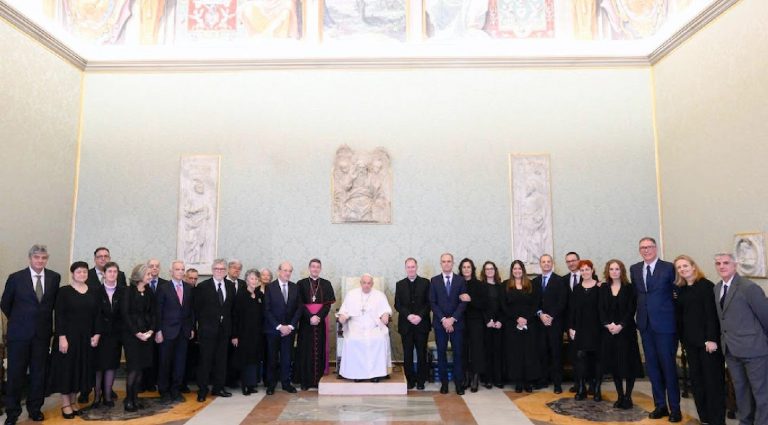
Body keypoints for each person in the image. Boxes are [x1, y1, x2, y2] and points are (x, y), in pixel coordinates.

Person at [1, 244, 61, 425]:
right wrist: (20, 320)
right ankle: (12, 413)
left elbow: (53, 304)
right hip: (19, 335)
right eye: (36, 257)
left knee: (38, 374)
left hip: (42, 336)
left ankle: (35, 409)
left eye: (43, 258)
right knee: (15, 375)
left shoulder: (54, 277)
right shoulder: (16, 278)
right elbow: (5, 303)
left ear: (47, 259)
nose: (40, 261)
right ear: (30, 258)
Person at [713, 253, 768, 425]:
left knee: (761, 393)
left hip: (754, 350)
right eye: (718, 263)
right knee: (741, 391)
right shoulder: (717, 288)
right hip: (731, 350)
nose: (722, 266)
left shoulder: (749, 287)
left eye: (726, 263)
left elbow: (765, 316)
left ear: (735, 265)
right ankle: (745, 422)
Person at [630, 237, 681, 422]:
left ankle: (675, 409)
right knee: (652, 368)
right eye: (642, 248)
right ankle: (660, 405)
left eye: (649, 247)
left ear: (655, 248)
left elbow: (677, 293)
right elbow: (635, 294)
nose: (646, 250)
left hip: (665, 325)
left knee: (668, 367)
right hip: (645, 325)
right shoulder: (635, 269)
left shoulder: (668, 268)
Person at [47, 261, 101, 419]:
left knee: (80, 370)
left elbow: (98, 315)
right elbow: (59, 315)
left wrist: (97, 334)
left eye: (85, 272)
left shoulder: (93, 291)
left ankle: (73, 401)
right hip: (68, 337)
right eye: (79, 272)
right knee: (67, 370)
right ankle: (65, 403)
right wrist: (62, 337)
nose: (82, 274)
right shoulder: (64, 291)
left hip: (86, 338)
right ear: (72, 274)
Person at [674, 255, 725, 425]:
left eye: (685, 266)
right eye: (679, 267)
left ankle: (717, 421)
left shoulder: (706, 286)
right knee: (697, 383)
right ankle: (705, 419)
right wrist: (683, 340)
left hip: (708, 344)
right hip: (691, 344)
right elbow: (681, 317)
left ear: (693, 266)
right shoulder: (681, 290)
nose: (682, 269)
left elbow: (711, 315)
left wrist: (711, 339)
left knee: (712, 383)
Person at [599, 259, 644, 410]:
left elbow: (631, 309)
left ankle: (628, 396)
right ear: (608, 271)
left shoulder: (629, 288)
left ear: (622, 271)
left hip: (626, 331)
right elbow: (600, 309)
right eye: (611, 269)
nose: (614, 272)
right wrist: (608, 324)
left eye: (617, 269)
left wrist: (621, 325)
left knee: (628, 364)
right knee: (615, 365)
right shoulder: (603, 288)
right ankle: (619, 396)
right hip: (609, 332)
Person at [337, 274, 393, 381]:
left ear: (372, 284)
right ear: (360, 283)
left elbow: (386, 309)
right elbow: (344, 311)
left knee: (379, 340)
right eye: (364, 283)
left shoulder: (379, 295)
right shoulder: (351, 294)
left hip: (374, 327)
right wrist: (342, 316)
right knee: (353, 340)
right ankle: (357, 374)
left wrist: (385, 314)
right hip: (355, 327)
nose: (366, 285)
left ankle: (376, 374)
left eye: (369, 283)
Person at [194, 259, 235, 402]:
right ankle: (202, 390)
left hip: (224, 331)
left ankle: (219, 388)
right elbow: (197, 309)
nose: (219, 271)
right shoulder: (203, 286)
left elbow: (231, 309)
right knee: (205, 361)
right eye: (217, 269)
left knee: (221, 361)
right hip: (207, 331)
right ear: (212, 270)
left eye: (222, 269)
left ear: (226, 271)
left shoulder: (230, 286)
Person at [156, 260, 195, 404]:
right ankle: (164, 391)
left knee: (180, 363)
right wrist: (158, 330)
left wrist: (191, 327)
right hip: (167, 331)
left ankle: (176, 390)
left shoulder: (188, 288)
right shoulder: (163, 288)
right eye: (177, 269)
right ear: (171, 271)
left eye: (182, 269)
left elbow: (191, 310)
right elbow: (158, 311)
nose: (180, 271)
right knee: (165, 362)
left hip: (183, 331)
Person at [430, 253, 469, 395]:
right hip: (440, 324)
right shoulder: (434, 280)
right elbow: (432, 302)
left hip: (457, 324)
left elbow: (463, 302)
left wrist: (452, 319)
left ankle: (458, 384)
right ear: (440, 264)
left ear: (453, 263)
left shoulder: (460, 280)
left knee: (458, 354)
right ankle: (444, 384)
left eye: (449, 261)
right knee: (441, 354)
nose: (446, 264)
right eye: (444, 261)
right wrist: (444, 320)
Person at [295, 259, 336, 390]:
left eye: (318, 267)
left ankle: (318, 380)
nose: (315, 269)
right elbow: (299, 304)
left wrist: (318, 317)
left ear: (320, 269)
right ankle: (305, 381)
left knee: (319, 349)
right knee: (305, 350)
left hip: (320, 321)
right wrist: (310, 317)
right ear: (309, 268)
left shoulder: (326, 284)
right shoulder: (301, 284)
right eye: (313, 266)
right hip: (305, 322)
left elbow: (327, 305)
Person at [121, 263, 157, 412]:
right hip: (132, 336)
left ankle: (136, 398)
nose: (151, 276)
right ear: (140, 275)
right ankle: (129, 400)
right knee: (133, 368)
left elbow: (154, 313)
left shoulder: (149, 291)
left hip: (146, 334)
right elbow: (125, 314)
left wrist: (151, 330)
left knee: (141, 368)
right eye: (148, 274)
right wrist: (137, 333)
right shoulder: (128, 291)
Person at [504, 260, 542, 393]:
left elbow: (536, 304)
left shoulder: (531, 285)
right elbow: (504, 305)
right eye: (515, 269)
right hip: (512, 325)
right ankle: (518, 381)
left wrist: (526, 318)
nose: (517, 271)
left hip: (529, 324)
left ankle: (528, 381)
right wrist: (517, 318)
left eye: (519, 268)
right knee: (515, 354)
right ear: (512, 271)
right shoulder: (505, 285)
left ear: (523, 270)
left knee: (529, 353)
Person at [91, 261, 126, 409]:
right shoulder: (95, 291)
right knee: (98, 366)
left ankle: (107, 396)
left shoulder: (123, 291)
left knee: (111, 365)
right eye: (109, 271)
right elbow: (94, 314)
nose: (112, 274)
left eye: (115, 271)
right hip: (100, 334)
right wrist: (96, 333)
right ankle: (96, 397)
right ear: (104, 274)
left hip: (116, 335)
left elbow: (125, 313)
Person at [263, 261, 301, 395]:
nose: (287, 273)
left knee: (287, 358)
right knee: (272, 358)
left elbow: (299, 308)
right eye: (285, 270)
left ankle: (286, 383)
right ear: (279, 271)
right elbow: (266, 310)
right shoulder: (270, 287)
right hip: (273, 330)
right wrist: (279, 326)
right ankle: (271, 384)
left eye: (290, 271)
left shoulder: (295, 287)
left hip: (289, 330)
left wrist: (290, 326)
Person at [394, 257, 431, 391]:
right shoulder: (400, 284)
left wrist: (420, 316)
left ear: (416, 267)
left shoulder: (426, 283)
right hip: (406, 325)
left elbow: (429, 302)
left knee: (421, 353)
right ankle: (410, 380)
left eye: (413, 267)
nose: (411, 269)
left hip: (422, 324)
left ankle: (421, 380)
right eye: (408, 267)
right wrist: (408, 315)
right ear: (405, 268)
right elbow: (397, 304)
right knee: (408, 354)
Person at [533, 254, 567, 393]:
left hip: (555, 323)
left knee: (556, 353)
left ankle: (557, 383)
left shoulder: (560, 280)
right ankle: (543, 380)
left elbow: (562, 301)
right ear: (540, 264)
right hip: (539, 323)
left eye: (548, 261)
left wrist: (551, 316)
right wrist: (540, 314)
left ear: (552, 263)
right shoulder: (535, 281)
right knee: (542, 352)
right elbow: (533, 302)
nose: (546, 264)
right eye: (543, 262)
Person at [569, 260, 602, 401]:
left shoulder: (600, 287)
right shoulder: (576, 289)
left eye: (587, 269)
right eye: (582, 270)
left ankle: (596, 388)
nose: (585, 272)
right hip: (580, 328)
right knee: (580, 358)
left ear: (592, 270)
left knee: (597, 359)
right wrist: (571, 327)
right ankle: (582, 387)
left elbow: (604, 308)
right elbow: (572, 310)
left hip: (597, 328)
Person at [231, 269, 265, 395]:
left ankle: (251, 384)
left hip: (257, 334)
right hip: (243, 333)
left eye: (256, 279)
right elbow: (235, 316)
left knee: (254, 359)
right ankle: (245, 385)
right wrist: (234, 335)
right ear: (246, 280)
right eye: (251, 278)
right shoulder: (241, 295)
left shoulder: (260, 295)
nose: (254, 281)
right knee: (244, 359)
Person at [459, 258, 486, 392]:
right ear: (461, 269)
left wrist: (471, 299)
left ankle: (475, 378)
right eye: (464, 267)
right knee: (463, 349)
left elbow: (484, 304)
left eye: (468, 267)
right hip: (461, 321)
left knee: (476, 350)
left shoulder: (479, 285)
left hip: (476, 321)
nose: (466, 269)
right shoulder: (457, 283)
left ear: (472, 269)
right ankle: (466, 377)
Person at [143, 258, 168, 392]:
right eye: (151, 266)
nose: (154, 268)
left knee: (158, 356)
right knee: (145, 355)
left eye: (157, 266)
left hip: (161, 327)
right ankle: (144, 382)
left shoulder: (166, 284)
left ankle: (155, 382)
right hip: (144, 327)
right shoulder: (142, 283)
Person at [480, 260, 505, 389]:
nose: (489, 271)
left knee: (498, 351)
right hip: (486, 324)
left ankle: (498, 379)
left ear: (495, 271)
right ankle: (488, 379)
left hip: (499, 324)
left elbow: (504, 306)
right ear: (484, 272)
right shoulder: (481, 287)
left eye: (491, 269)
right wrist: (487, 320)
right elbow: (481, 307)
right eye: (487, 269)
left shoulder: (501, 286)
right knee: (487, 352)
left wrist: (500, 320)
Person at [564, 251, 581, 393]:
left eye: (573, 260)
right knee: (574, 354)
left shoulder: (591, 276)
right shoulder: (563, 280)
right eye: (568, 261)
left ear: (579, 261)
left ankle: (591, 383)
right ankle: (577, 383)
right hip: (571, 324)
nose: (571, 263)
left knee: (588, 353)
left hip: (587, 323)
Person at [180, 267, 200, 394]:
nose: (193, 281)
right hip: (182, 329)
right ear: (185, 277)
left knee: (190, 358)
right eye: (190, 278)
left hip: (195, 329)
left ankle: (186, 381)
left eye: (195, 278)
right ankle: (180, 383)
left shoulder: (198, 291)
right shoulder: (181, 289)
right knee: (181, 357)